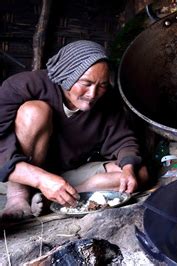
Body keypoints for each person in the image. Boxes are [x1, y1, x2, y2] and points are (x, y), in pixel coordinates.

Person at [0, 40, 149, 221]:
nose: (93, 94)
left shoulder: (107, 99)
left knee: (137, 173)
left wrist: (127, 166)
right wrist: (39, 179)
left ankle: (59, 197)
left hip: (63, 173)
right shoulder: (23, 85)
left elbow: (123, 139)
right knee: (34, 111)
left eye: (101, 85)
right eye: (86, 83)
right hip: (14, 172)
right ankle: (18, 198)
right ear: (67, 76)